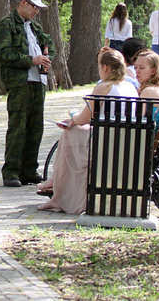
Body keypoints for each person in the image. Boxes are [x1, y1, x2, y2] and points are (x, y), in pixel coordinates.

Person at [37, 48, 136, 213]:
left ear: (104, 67)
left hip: (105, 142)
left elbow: (83, 118)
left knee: (69, 134)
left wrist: (72, 116)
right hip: (125, 141)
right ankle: (55, 184)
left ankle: (57, 191)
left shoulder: (104, 87)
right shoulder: (130, 87)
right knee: (72, 133)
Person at [0, 0, 54, 188]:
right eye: (34, 7)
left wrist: (46, 59)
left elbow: (49, 45)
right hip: (19, 83)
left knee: (35, 127)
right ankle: (11, 171)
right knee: (18, 127)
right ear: (23, 3)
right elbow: (4, 54)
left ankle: (29, 170)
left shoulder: (35, 29)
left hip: (39, 82)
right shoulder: (7, 25)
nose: (36, 11)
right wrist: (31, 60)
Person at [134, 50, 159, 128]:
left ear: (153, 71)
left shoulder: (149, 91)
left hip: (146, 137)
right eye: (135, 67)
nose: (137, 71)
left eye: (141, 68)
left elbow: (137, 119)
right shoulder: (158, 87)